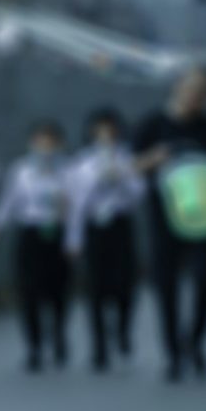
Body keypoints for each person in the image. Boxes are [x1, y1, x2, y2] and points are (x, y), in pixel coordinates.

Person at [132, 67, 206, 382]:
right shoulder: (152, 124)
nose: (196, 98)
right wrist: (155, 159)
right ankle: (173, 353)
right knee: (166, 285)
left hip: (203, 216)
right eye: (191, 90)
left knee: (205, 280)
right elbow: (132, 165)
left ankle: (196, 341)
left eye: (203, 93)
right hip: (164, 215)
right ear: (177, 88)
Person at [0, 119, 74, 372]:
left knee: (58, 292)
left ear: (59, 144)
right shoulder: (21, 170)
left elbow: (76, 208)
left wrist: (74, 239)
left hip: (57, 235)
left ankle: (58, 337)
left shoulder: (68, 171)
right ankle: (34, 346)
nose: (45, 147)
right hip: (30, 235)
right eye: (40, 141)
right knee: (29, 292)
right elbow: (7, 202)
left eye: (50, 142)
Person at [65, 107, 143, 372]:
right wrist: (73, 240)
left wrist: (120, 176)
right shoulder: (81, 164)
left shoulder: (128, 159)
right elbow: (76, 205)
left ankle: (122, 331)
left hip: (120, 227)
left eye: (110, 129)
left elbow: (137, 196)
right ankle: (99, 347)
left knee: (125, 285)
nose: (106, 135)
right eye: (100, 130)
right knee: (96, 289)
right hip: (95, 228)